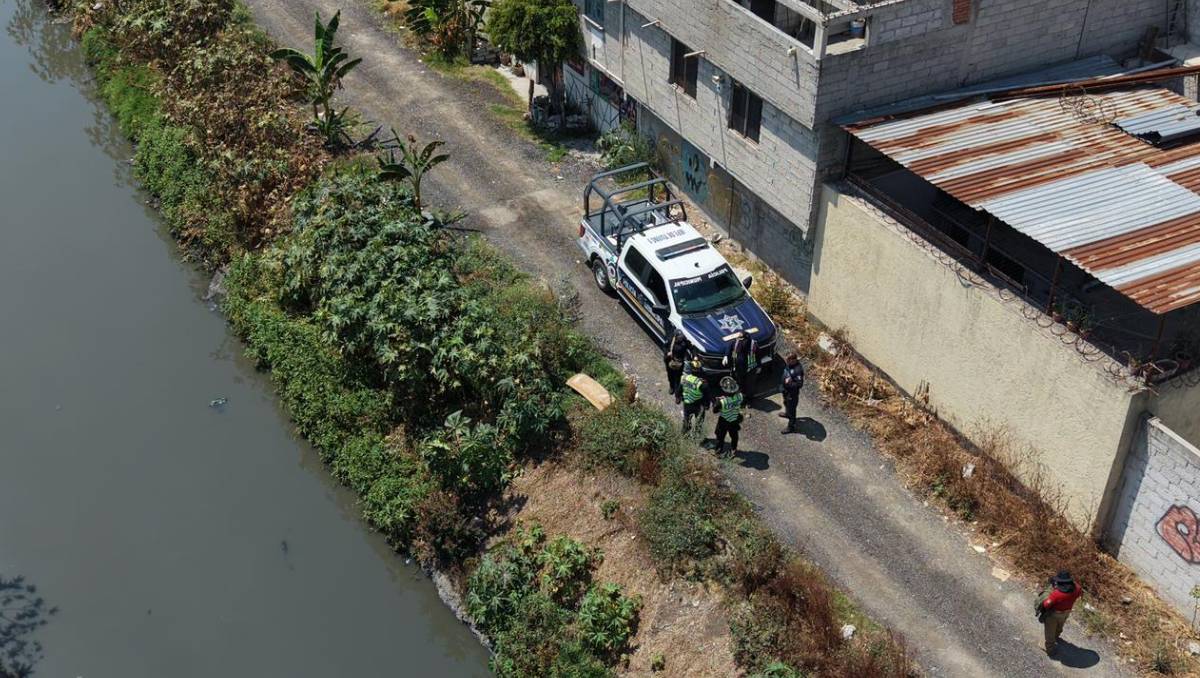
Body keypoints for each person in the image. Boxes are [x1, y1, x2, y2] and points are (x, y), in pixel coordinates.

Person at [1038, 570, 1082, 656]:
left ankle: (1050, 649)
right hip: (1066, 612)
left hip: (1054, 615)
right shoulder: (1077, 588)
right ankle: (1056, 637)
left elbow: (1046, 604)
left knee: (1049, 631)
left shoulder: (1057, 594)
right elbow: (1078, 594)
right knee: (1059, 626)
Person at [712, 377, 745, 456]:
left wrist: (718, 401)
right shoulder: (740, 396)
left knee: (720, 436)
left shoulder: (722, 402)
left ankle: (718, 451)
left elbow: (714, 411)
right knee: (734, 435)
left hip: (724, 421)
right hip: (734, 419)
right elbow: (742, 404)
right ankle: (733, 449)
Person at [778, 352, 805, 434]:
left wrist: (789, 383)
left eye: (788, 361)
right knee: (785, 403)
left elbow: (799, 384)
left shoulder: (798, 370)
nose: (787, 362)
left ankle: (791, 426)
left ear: (793, 360)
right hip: (785, 390)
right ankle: (787, 413)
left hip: (792, 394)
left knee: (792, 410)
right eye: (787, 360)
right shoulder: (789, 365)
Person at [679, 358, 708, 433]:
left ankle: (684, 434)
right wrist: (706, 405)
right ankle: (696, 435)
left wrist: (679, 397)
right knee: (699, 421)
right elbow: (706, 396)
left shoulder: (684, 378)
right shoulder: (701, 383)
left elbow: (679, 389)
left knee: (686, 419)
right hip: (698, 404)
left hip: (687, 403)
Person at [664, 329, 690, 404]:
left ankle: (677, 395)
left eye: (681, 338)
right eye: (679, 338)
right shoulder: (670, 339)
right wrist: (667, 353)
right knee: (670, 376)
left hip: (679, 363)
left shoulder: (684, 342)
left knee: (678, 380)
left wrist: (695, 356)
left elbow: (691, 347)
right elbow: (665, 347)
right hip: (670, 361)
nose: (680, 339)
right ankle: (671, 387)